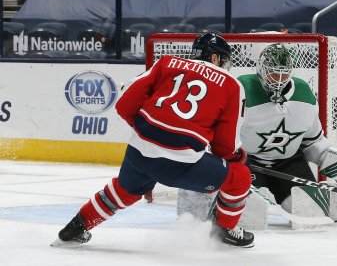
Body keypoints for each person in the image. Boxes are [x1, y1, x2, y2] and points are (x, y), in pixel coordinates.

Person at [52, 32, 254, 248]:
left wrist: (148, 130)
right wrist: (237, 157)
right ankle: (224, 230)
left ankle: (75, 228)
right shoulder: (231, 85)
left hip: (139, 151)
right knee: (240, 176)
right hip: (178, 164)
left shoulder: (167, 63)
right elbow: (225, 146)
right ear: (215, 58)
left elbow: (125, 104)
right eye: (223, 60)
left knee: (124, 191)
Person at [176, 43, 337, 228]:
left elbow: (314, 142)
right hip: (248, 162)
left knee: (309, 212)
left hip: (288, 162)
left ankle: (325, 198)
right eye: (273, 74)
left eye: (283, 74)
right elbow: (220, 138)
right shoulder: (241, 90)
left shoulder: (303, 94)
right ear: (261, 70)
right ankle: (205, 199)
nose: (278, 80)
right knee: (247, 215)